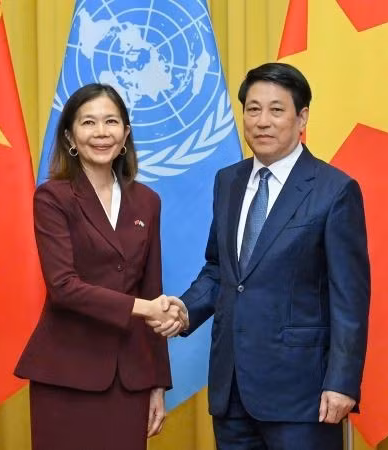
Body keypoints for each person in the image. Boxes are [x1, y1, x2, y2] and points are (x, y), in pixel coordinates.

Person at [152, 63, 371, 449]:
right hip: (232, 389)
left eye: (276, 110)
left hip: (303, 395)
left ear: (301, 117)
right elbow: (222, 269)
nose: (262, 122)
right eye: (253, 109)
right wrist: (186, 309)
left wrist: (341, 382)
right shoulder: (229, 181)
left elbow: (349, 299)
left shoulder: (335, 190)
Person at [15, 83, 185, 450]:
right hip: (66, 373)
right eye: (88, 122)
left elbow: (151, 288)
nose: (101, 132)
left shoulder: (147, 201)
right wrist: (144, 309)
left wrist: (157, 382)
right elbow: (63, 287)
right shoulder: (52, 197)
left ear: (125, 133)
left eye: (111, 121)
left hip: (129, 378)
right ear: (70, 136)